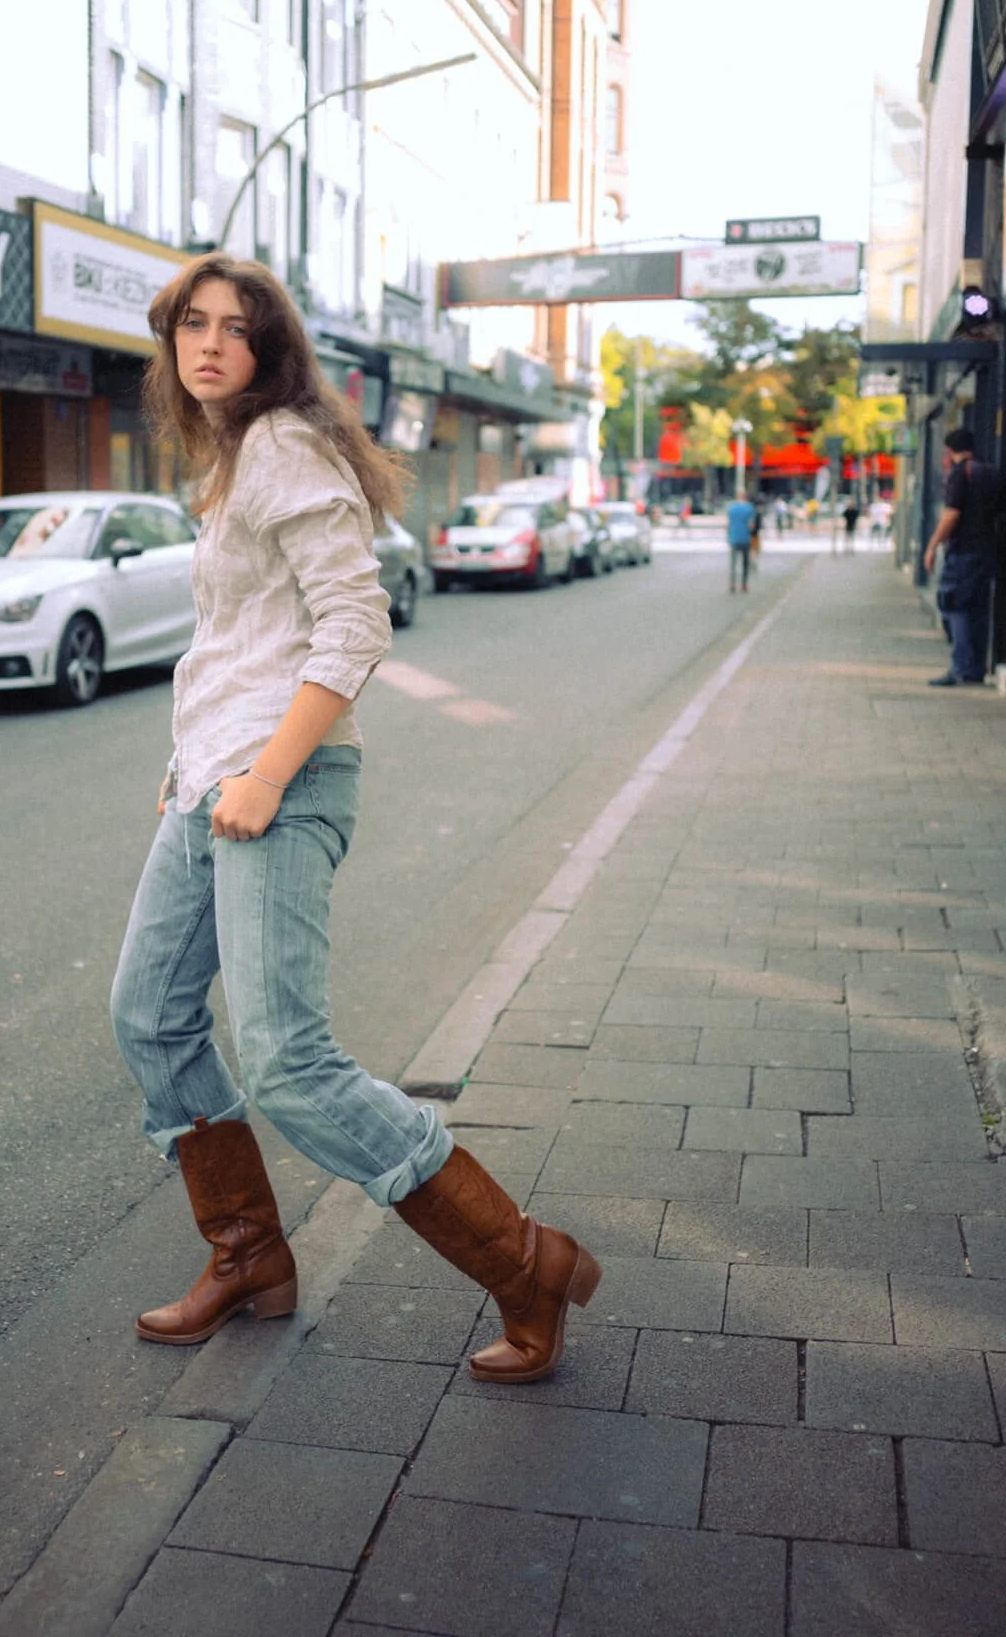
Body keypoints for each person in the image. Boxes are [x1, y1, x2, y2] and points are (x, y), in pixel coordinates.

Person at [109, 254, 602, 1383]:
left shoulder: (282, 446)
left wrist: (266, 774)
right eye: (194, 322)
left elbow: (352, 625)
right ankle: (249, 1257)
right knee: (149, 1013)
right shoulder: (231, 454)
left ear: (270, 348)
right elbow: (240, 640)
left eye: (237, 327)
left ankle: (522, 1261)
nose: (210, 342)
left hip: (276, 784)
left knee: (288, 1062)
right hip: (213, 780)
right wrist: (191, 762)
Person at [923, 426, 1005, 687]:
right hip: (987, 550)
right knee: (978, 611)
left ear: (949, 451)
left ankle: (962, 669)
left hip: (963, 552)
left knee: (955, 606)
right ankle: (976, 667)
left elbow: (952, 514)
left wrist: (932, 546)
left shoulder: (960, 474)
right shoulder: (990, 472)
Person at [727, 486, 757, 592]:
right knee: (745, 563)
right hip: (745, 538)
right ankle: (744, 584)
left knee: (733, 563)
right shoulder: (750, 508)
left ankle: (732, 583)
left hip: (734, 537)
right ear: (745, 496)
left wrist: (728, 536)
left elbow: (728, 524)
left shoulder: (731, 508)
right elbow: (751, 525)